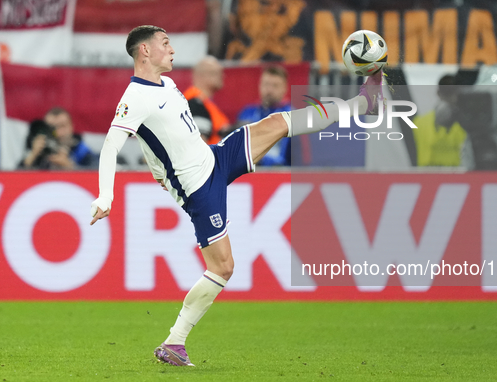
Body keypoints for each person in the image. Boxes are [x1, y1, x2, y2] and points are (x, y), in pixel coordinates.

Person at [89, 25, 382, 367]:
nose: (171, 48)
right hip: (199, 188)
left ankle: (364, 101)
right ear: (144, 52)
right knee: (223, 267)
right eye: (164, 43)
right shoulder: (134, 98)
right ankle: (174, 343)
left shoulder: (166, 84)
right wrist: (105, 195)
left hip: (215, 157)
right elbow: (111, 144)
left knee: (277, 123)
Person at [237, 65, 291, 166]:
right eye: (266, 84)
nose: (269, 90)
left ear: (285, 88)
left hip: (280, 173)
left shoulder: (291, 115)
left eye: (275, 86)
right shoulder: (247, 113)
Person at [413, 75, 467, 167]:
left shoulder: (419, 122)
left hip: (430, 177)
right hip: (441, 177)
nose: (452, 98)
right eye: (448, 93)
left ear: (438, 93)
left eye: (452, 92)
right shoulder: (467, 124)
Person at [20, 107, 98, 170]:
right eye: (52, 128)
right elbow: (14, 179)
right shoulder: (40, 152)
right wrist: (32, 156)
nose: (58, 133)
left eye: (62, 126)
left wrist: (69, 166)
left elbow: (97, 174)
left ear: (71, 126)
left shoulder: (82, 151)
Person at [183, 56, 233, 144]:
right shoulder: (195, 103)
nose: (223, 76)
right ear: (202, 75)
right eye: (217, 73)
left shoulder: (204, 102)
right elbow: (197, 144)